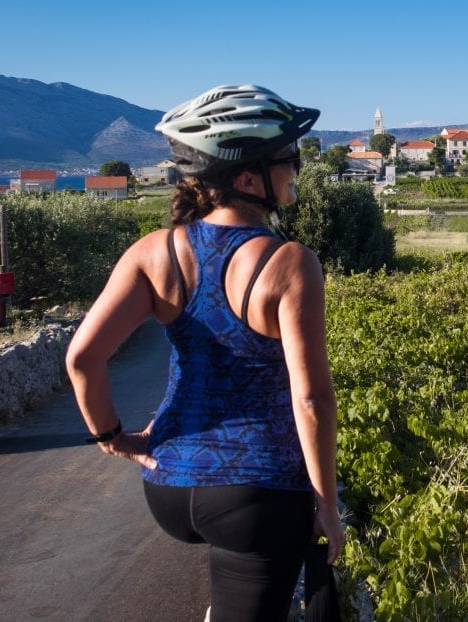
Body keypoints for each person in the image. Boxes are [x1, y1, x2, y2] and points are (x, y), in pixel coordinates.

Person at [66, 85, 344, 621]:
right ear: (246, 178)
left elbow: (82, 357)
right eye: (290, 158)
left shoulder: (154, 250)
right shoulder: (289, 262)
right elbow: (310, 401)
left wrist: (112, 439)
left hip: (168, 485)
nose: (297, 168)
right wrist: (326, 505)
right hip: (256, 490)